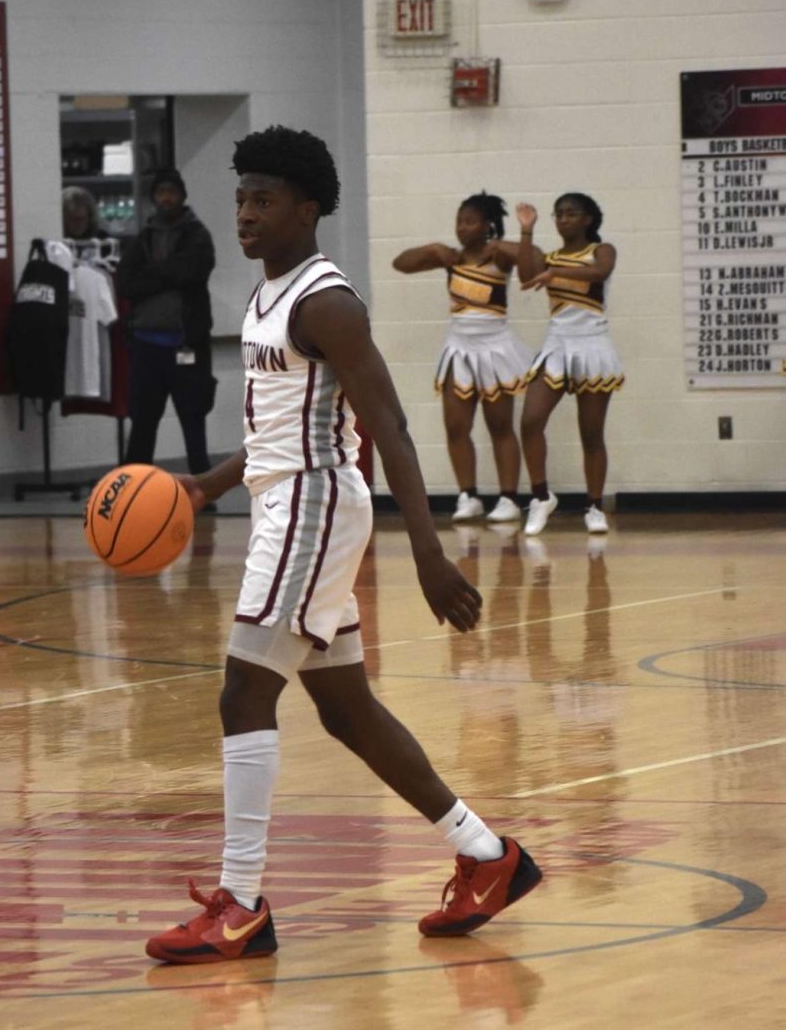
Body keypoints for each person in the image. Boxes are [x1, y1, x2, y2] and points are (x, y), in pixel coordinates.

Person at [145, 127, 541, 966]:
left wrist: (429, 554)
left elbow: (386, 424)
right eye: (242, 196)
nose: (246, 213)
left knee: (242, 694)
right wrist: (209, 486)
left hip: (313, 507)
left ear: (308, 207)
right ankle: (486, 855)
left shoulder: (327, 302)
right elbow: (283, 426)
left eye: (264, 199)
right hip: (281, 501)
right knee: (344, 707)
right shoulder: (267, 294)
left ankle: (242, 905)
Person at [392, 193, 532, 525]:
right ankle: (468, 496)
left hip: (495, 346)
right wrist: (430, 250)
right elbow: (401, 263)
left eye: (470, 221)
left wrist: (519, 239)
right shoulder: (450, 258)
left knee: (500, 425)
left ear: (487, 225)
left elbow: (533, 268)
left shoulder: (500, 255)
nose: (462, 227)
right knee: (456, 425)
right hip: (459, 348)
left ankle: (509, 499)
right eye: (459, 221)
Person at [516, 195, 623, 535]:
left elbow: (600, 272)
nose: (563, 220)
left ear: (588, 219)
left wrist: (554, 272)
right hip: (557, 344)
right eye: (558, 214)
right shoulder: (549, 257)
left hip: (592, 344)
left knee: (591, 434)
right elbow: (525, 274)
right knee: (531, 421)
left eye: (571, 213)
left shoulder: (602, 249)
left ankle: (594, 506)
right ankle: (541, 496)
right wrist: (526, 233)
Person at [117, 168, 216, 474]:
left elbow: (191, 272)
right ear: (153, 197)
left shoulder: (198, 235)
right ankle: (130, 488)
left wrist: (152, 273)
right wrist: (168, 274)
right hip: (146, 345)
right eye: (161, 192)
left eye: (171, 192)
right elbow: (125, 284)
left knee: (192, 419)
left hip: (186, 344)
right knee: (142, 422)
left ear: (182, 196)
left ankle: (203, 490)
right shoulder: (143, 237)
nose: (166, 198)